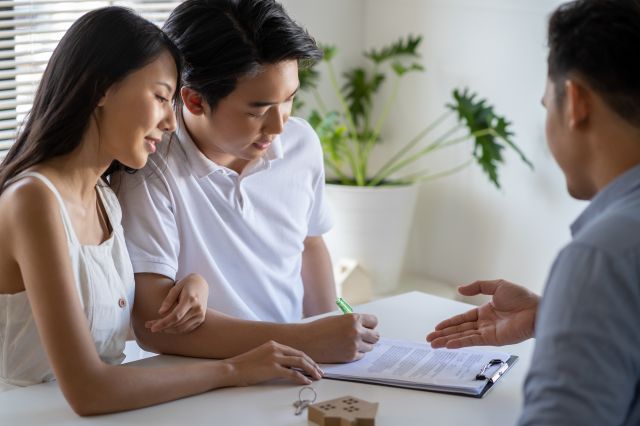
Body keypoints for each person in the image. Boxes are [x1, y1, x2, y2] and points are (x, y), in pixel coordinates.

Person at [0, 7, 322, 415]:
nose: (172, 122)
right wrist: (234, 369)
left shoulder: (104, 198)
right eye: (159, 97)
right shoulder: (35, 201)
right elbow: (88, 390)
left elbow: (129, 327)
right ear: (102, 88)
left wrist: (194, 284)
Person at [114, 0, 379, 363]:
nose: (280, 125)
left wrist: (328, 328)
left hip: (298, 370)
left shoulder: (300, 143)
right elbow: (152, 325)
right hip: (205, 376)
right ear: (193, 99)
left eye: (290, 99)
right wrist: (304, 339)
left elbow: (308, 243)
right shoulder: (151, 169)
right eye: (257, 111)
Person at [426, 0, 640, 424]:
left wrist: (583, 297)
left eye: (546, 106)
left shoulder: (603, 255)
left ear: (575, 101)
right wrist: (560, 314)